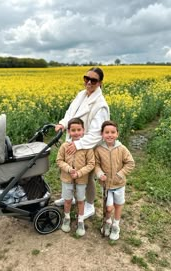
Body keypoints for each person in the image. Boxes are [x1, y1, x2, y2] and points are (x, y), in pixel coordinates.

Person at [54, 67, 110, 219]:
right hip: (73, 141)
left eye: (94, 80)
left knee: (86, 176)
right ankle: (70, 197)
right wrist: (63, 124)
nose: (89, 82)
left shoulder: (100, 105)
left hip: (87, 146)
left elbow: (97, 134)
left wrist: (78, 145)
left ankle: (90, 205)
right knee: (67, 171)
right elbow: (70, 114)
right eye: (87, 78)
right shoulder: (81, 95)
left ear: (100, 83)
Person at [94, 120, 135, 241]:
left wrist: (120, 174)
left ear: (117, 134)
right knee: (108, 207)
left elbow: (130, 163)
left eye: (113, 132)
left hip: (119, 184)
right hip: (106, 185)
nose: (110, 135)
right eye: (107, 132)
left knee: (118, 205)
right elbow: (96, 164)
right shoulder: (99, 149)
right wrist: (99, 174)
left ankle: (116, 225)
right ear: (102, 134)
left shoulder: (122, 149)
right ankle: (107, 221)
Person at [56, 118, 95, 236]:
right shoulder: (64, 146)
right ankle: (67, 218)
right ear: (69, 131)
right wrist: (68, 169)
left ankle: (80, 220)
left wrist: (79, 173)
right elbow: (59, 160)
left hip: (81, 179)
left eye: (79, 130)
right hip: (67, 178)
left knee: (80, 200)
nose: (76, 132)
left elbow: (91, 164)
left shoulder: (87, 147)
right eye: (73, 130)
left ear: (83, 131)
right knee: (67, 200)